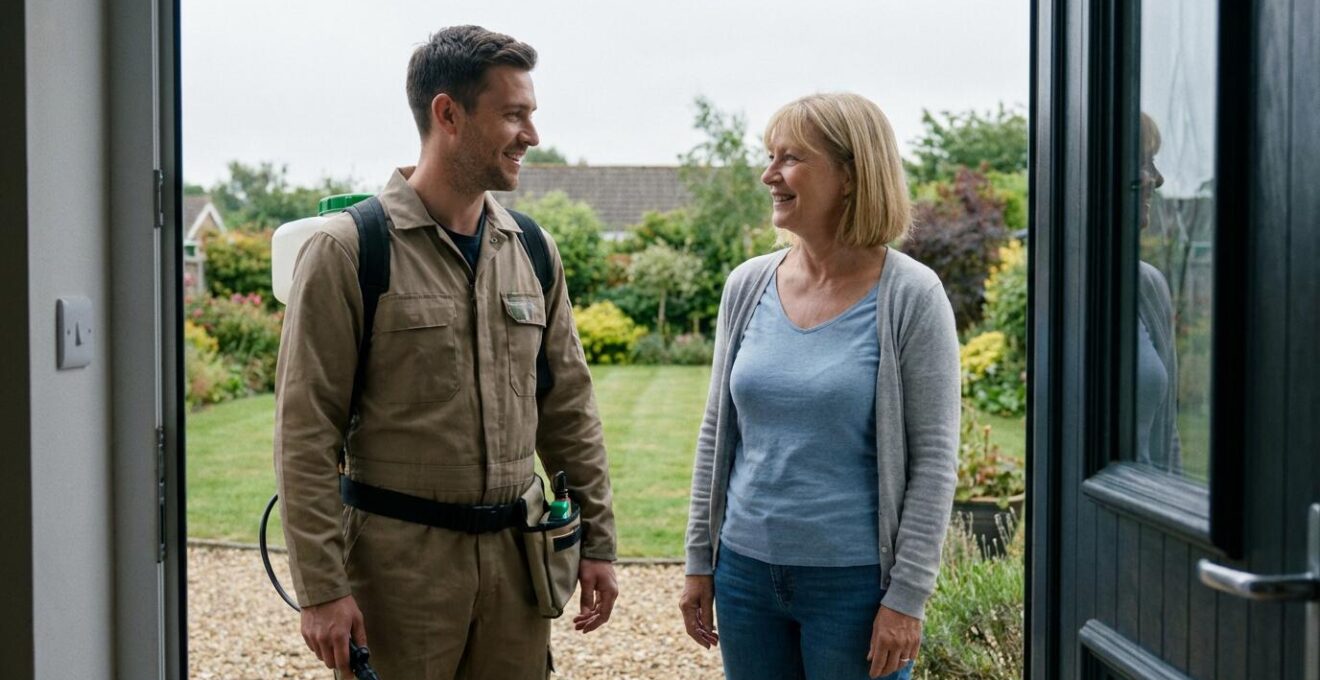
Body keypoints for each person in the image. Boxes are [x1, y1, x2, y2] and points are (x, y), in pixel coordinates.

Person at [274, 25, 618, 679]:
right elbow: (303, 433)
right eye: (513, 114)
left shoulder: (533, 252)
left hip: (519, 574)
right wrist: (321, 588)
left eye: (532, 115)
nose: (532, 135)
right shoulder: (348, 251)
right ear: (448, 114)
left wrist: (596, 539)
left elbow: (569, 407)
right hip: (397, 578)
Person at [679, 93, 961, 680]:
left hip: (855, 589)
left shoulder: (912, 295)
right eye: (770, 156)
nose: (769, 174)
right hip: (745, 577)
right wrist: (700, 561)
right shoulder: (747, 284)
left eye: (790, 159)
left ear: (852, 176)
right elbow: (716, 432)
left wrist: (906, 598)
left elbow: (934, 461)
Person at [1134, 112, 1182, 473]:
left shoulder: (1149, 286)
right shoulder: (1057, 290)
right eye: (1145, 161)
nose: (1158, 179)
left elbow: (1169, 435)